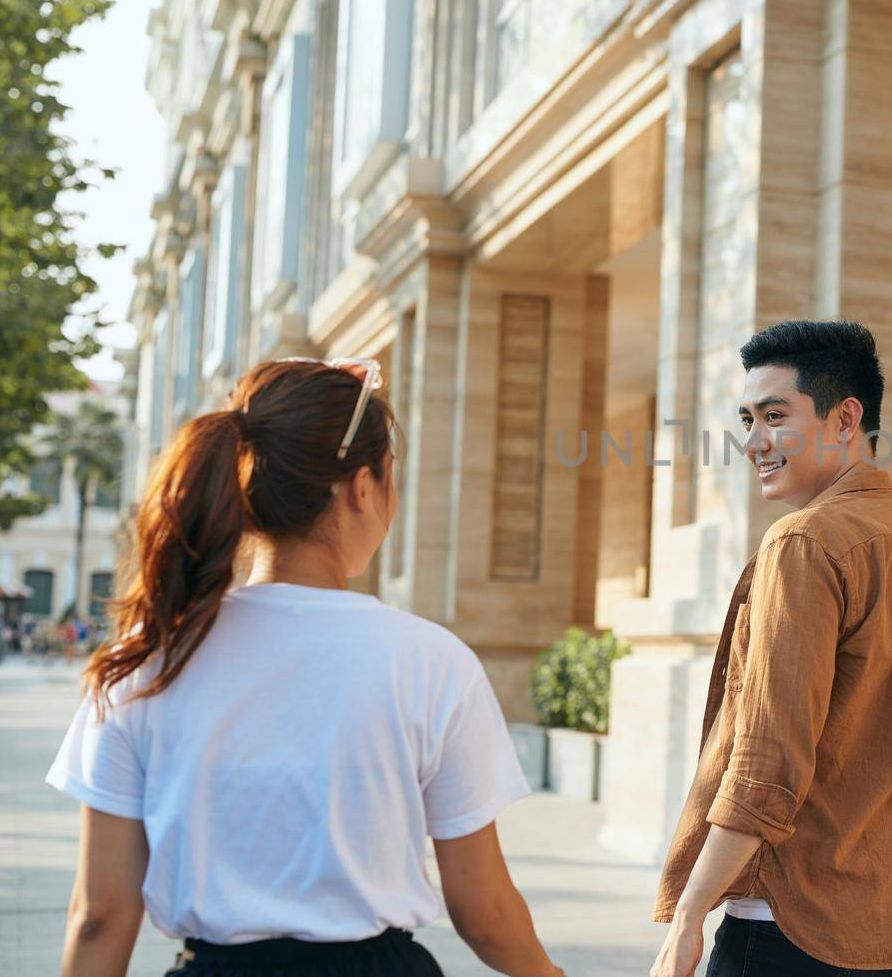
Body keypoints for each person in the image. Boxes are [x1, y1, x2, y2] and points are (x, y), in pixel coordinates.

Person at [46, 359, 564, 977]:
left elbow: (100, 914)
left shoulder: (147, 658)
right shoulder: (430, 662)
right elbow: (485, 915)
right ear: (361, 489)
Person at [650, 321, 892, 976]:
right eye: (748, 418)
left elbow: (768, 765)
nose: (753, 442)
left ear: (845, 418)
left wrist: (689, 915)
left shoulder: (803, 544)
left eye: (776, 416)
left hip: (798, 935)